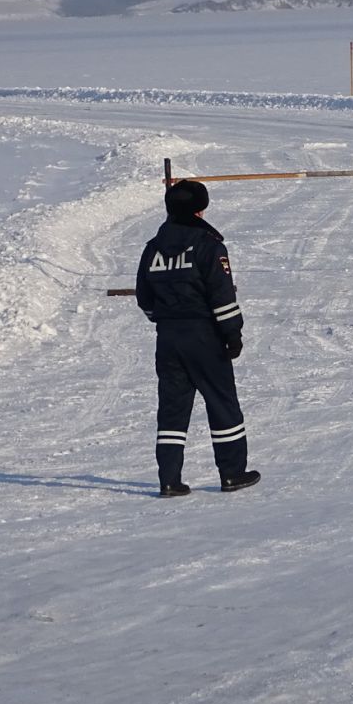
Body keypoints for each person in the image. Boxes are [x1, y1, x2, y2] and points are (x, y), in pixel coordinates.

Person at [135, 180, 260, 497]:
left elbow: (144, 298)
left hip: (168, 338)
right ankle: (232, 473)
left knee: (172, 409)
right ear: (199, 210)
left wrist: (163, 320)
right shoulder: (208, 246)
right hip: (204, 336)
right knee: (222, 402)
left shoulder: (153, 248)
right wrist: (232, 334)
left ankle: (169, 480)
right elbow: (222, 296)